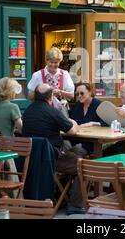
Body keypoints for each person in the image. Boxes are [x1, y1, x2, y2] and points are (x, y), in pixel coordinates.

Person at [21, 83, 84, 215]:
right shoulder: (52, 112)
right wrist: (75, 124)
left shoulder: (27, 112)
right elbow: (72, 131)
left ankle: (61, 198)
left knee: (74, 152)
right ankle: (75, 205)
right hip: (52, 158)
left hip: (31, 160)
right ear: (50, 97)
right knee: (83, 165)